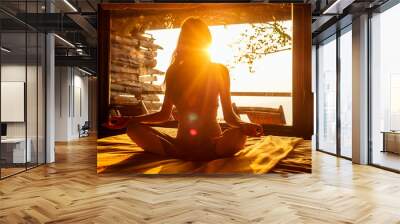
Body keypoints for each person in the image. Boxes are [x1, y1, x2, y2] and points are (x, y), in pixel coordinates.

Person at [106, 17, 263, 161]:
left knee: (237, 135)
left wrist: (244, 126)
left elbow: (229, 116)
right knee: (133, 128)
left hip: (214, 143)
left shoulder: (219, 71)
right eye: (190, 39)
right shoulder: (174, 72)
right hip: (180, 144)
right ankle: (186, 154)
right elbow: (164, 114)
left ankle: (190, 154)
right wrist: (130, 119)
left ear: (205, 42)